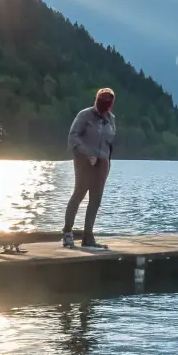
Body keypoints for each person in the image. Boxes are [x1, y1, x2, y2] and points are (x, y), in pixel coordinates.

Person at [63, 87, 116, 250]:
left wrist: (106, 160)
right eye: (102, 101)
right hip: (84, 160)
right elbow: (72, 136)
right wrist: (86, 153)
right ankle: (67, 233)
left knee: (96, 199)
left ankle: (88, 236)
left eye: (108, 102)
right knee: (79, 194)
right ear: (97, 100)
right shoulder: (84, 115)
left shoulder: (111, 118)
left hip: (103, 161)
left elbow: (110, 140)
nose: (104, 105)